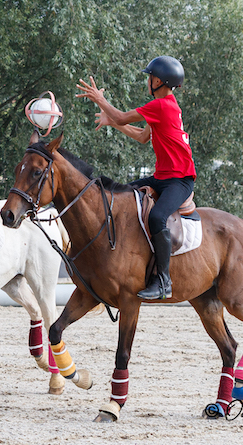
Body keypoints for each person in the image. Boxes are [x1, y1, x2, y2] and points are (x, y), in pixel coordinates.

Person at [75, 55, 195, 300]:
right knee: (118, 196)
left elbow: (121, 116)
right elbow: (142, 137)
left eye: (150, 77)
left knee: (158, 217)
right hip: (161, 177)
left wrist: (100, 99)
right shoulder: (163, 107)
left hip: (180, 180)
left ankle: (163, 281)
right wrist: (112, 123)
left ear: (158, 81)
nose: (147, 81)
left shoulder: (162, 106)